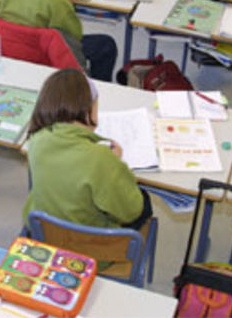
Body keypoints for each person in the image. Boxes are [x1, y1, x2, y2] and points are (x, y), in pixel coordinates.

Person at [22, 69, 151, 235]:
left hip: (46, 235)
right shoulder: (101, 158)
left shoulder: (37, 140)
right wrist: (117, 165)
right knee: (144, 202)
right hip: (90, 247)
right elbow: (131, 211)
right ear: (88, 109)